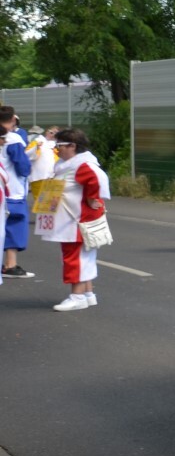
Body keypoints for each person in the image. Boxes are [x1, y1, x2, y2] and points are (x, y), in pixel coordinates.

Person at [36, 128, 109, 312]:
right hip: (72, 219)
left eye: (59, 145)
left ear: (72, 146)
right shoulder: (70, 164)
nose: (56, 149)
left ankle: (77, 296)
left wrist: (93, 198)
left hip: (75, 220)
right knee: (84, 257)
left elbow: (97, 179)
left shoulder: (81, 165)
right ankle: (87, 293)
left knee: (74, 258)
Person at [0, 106, 35, 278]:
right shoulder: (13, 138)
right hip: (12, 190)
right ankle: (10, 264)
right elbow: (23, 167)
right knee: (14, 225)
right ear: (13, 119)